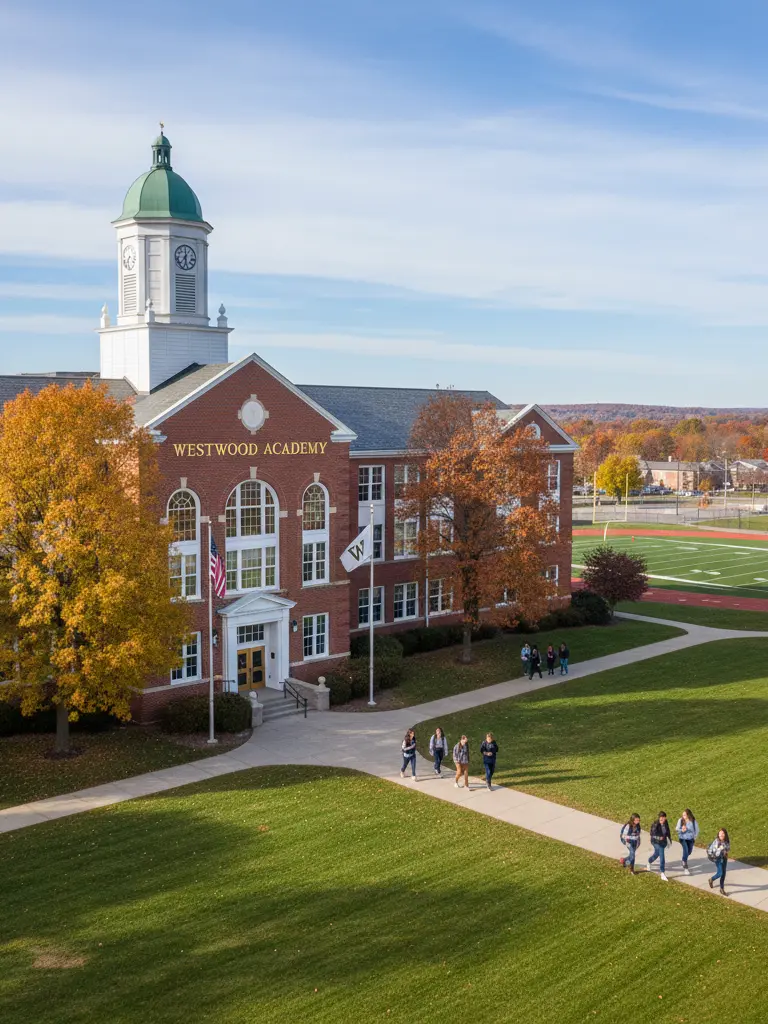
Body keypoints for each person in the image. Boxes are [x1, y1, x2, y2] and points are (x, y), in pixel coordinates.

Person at [648, 811, 672, 880]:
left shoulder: (666, 822)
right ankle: (662, 872)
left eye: (663, 818)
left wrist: (669, 840)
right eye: (660, 818)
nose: (662, 819)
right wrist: (659, 838)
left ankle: (649, 861)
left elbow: (668, 831)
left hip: (663, 841)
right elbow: (652, 833)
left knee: (657, 854)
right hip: (655, 841)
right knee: (662, 855)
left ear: (665, 818)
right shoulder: (655, 824)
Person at [675, 809, 699, 875]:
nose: (683, 816)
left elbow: (697, 830)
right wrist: (681, 830)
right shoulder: (680, 820)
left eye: (684, 815)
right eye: (683, 815)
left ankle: (684, 858)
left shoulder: (693, 821)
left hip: (690, 839)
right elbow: (677, 829)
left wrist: (695, 837)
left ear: (688, 815)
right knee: (685, 850)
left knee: (689, 851)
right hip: (683, 839)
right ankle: (685, 863)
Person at [708, 828, 731, 895]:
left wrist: (725, 851)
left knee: (723, 874)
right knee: (720, 873)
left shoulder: (726, 841)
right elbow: (715, 852)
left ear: (725, 835)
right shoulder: (716, 842)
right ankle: (711, 879)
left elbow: (728, 848)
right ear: (718, 834)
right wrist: (720, 849)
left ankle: (722, 889)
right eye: (720, 833)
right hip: (717, 858)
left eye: (723, 833)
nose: (721, 834)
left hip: (724, 858)